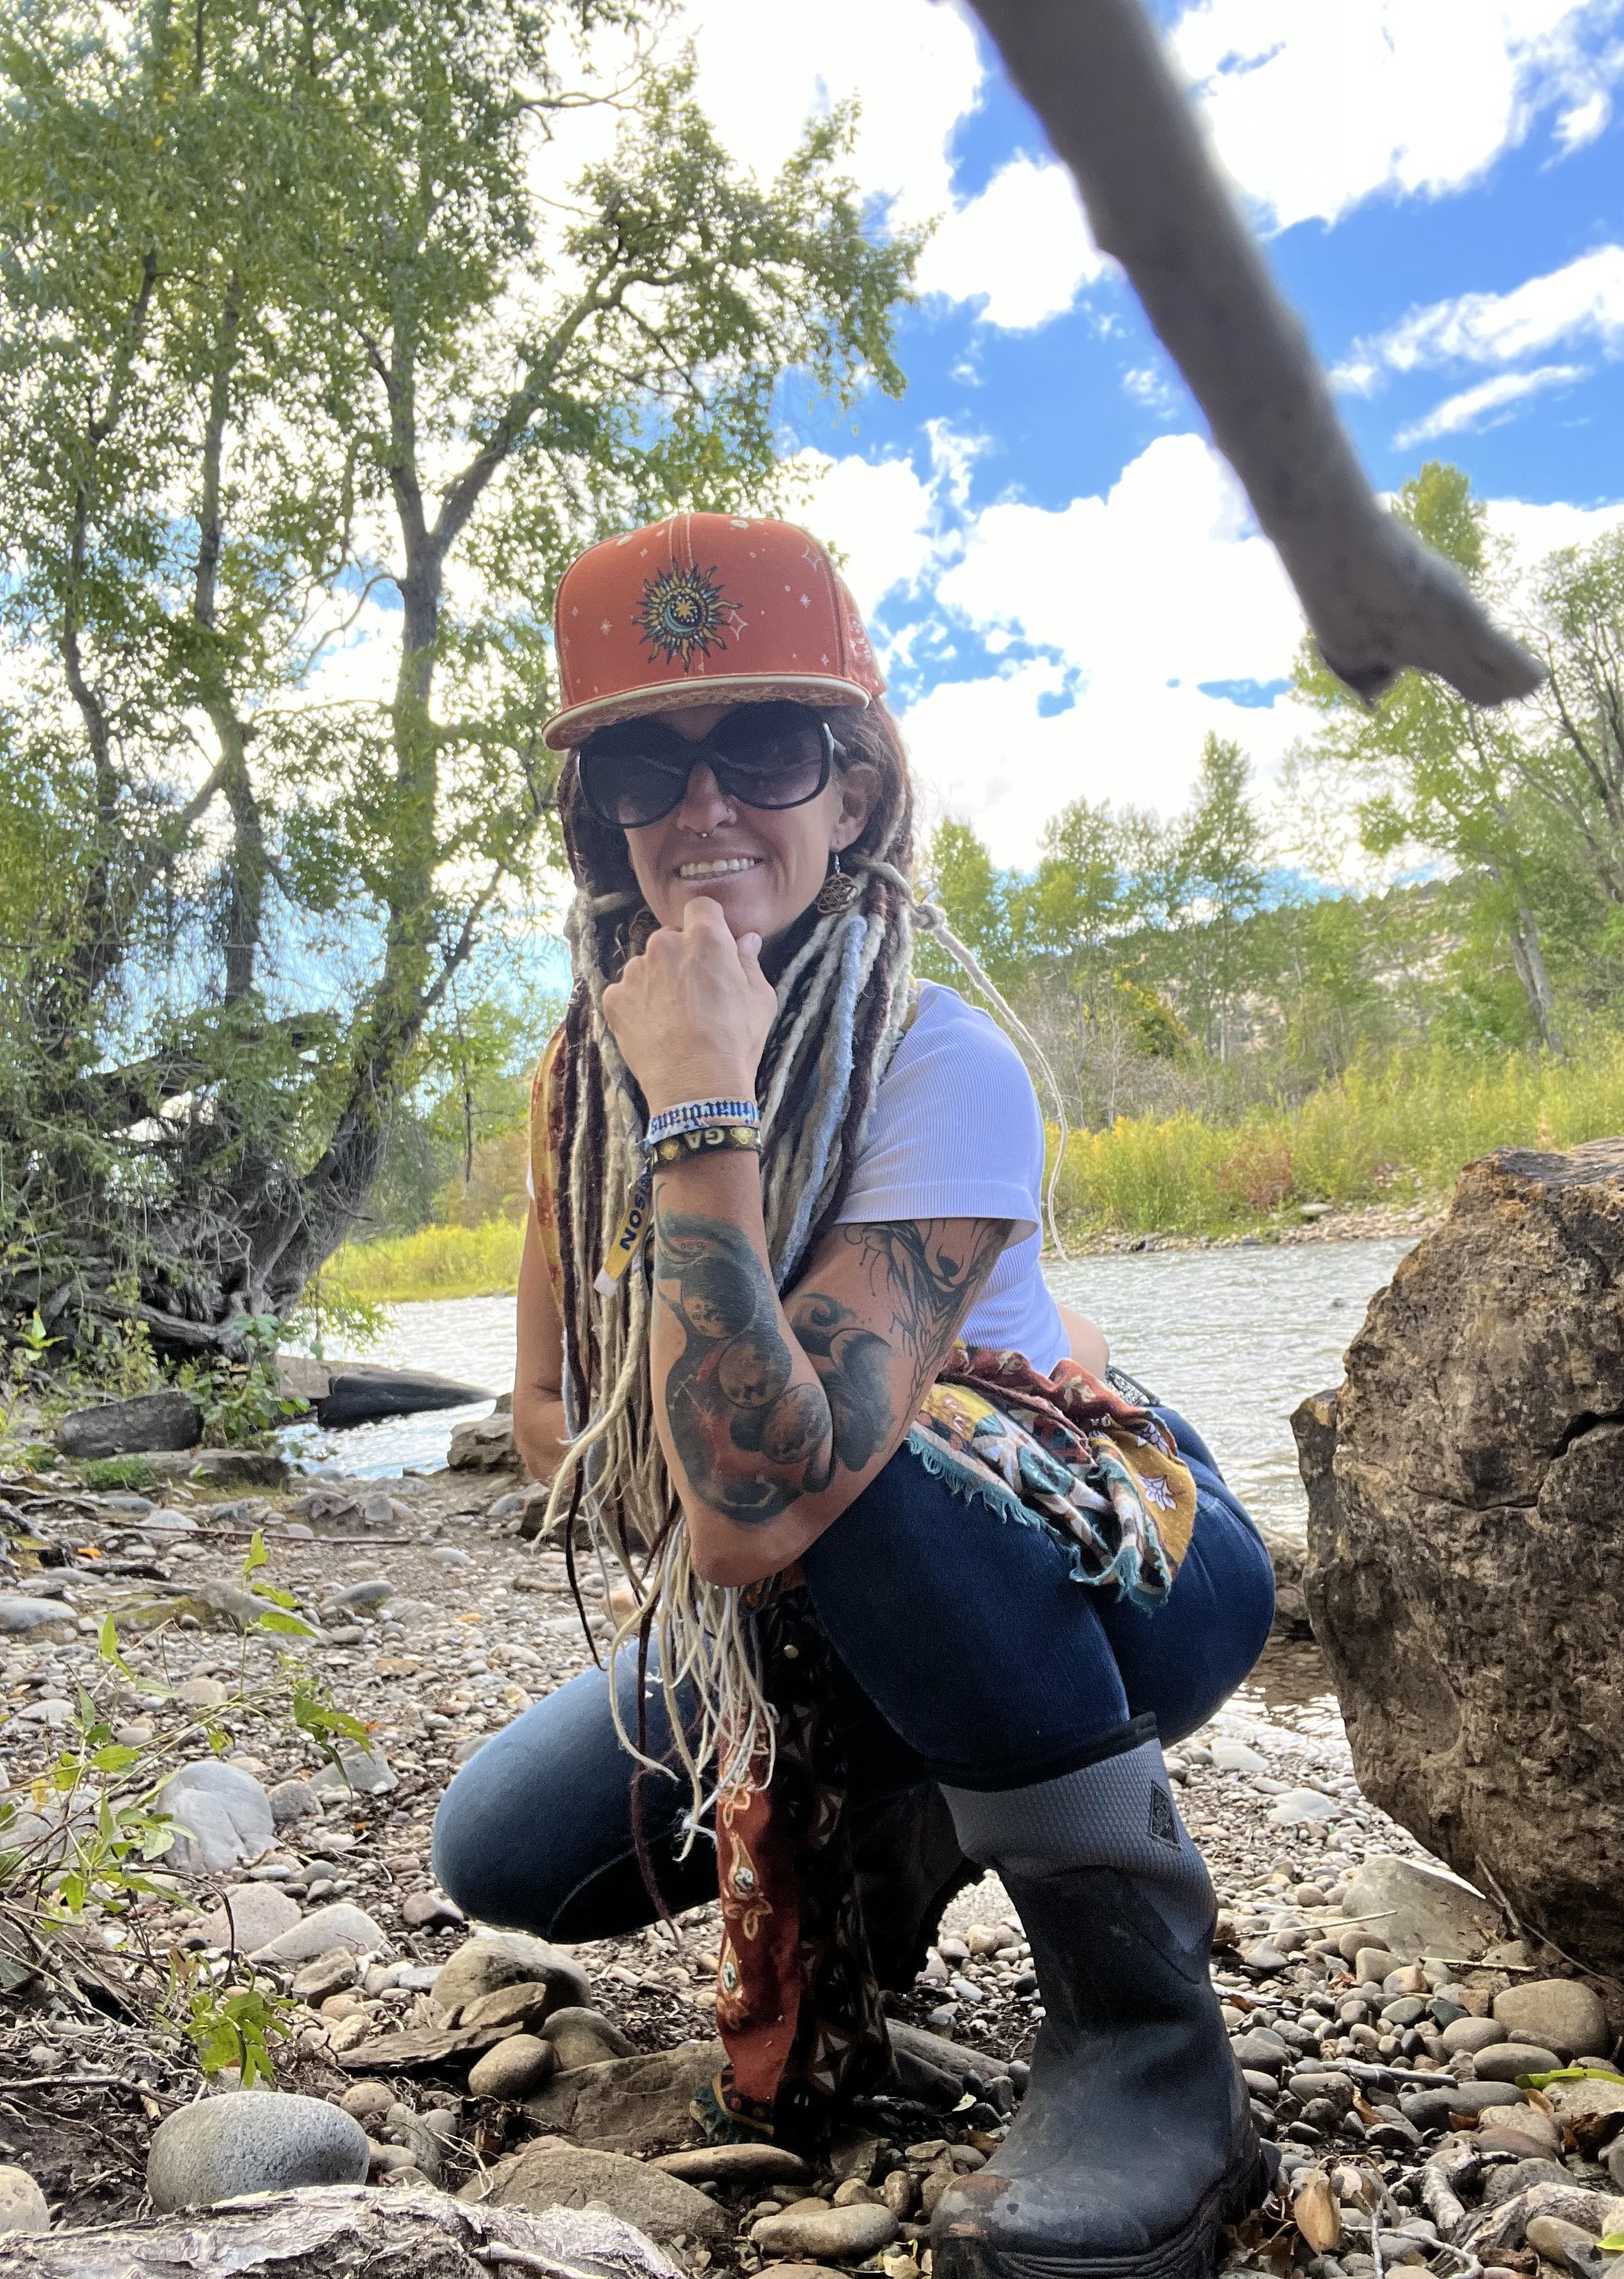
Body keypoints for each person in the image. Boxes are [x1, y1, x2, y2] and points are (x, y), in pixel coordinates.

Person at [434, 511, 1278, 2279]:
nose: (704, 806)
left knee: (864, 1474)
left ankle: (1143, 2037)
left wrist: (705, 1112)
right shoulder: (582, 1082)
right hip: (814, 1612)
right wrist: (659, 1102)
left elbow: (748, 1504)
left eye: (764, 743)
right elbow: (549, 1418)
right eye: (641, 766)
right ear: (592, 818)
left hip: (1095, 1584)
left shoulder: (935, 1057)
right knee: (507, 1852)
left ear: (857, 789)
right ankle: (904, 1801)